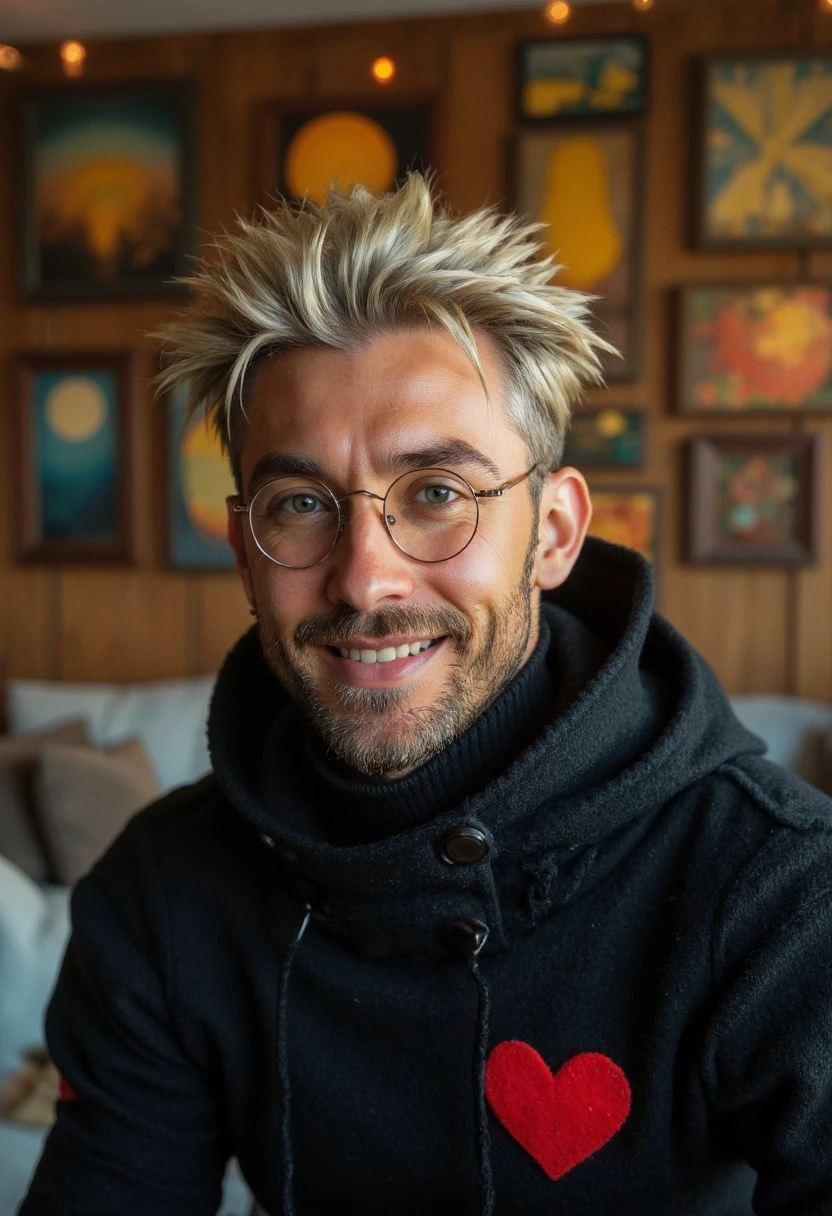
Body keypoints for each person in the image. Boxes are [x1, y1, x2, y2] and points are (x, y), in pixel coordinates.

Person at [20, 175, 832, 1216]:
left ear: (553, 531)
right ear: (241, 547)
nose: (365, 579)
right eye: (303, 503)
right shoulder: (163, 899)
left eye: (438, 493)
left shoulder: (782, 894)